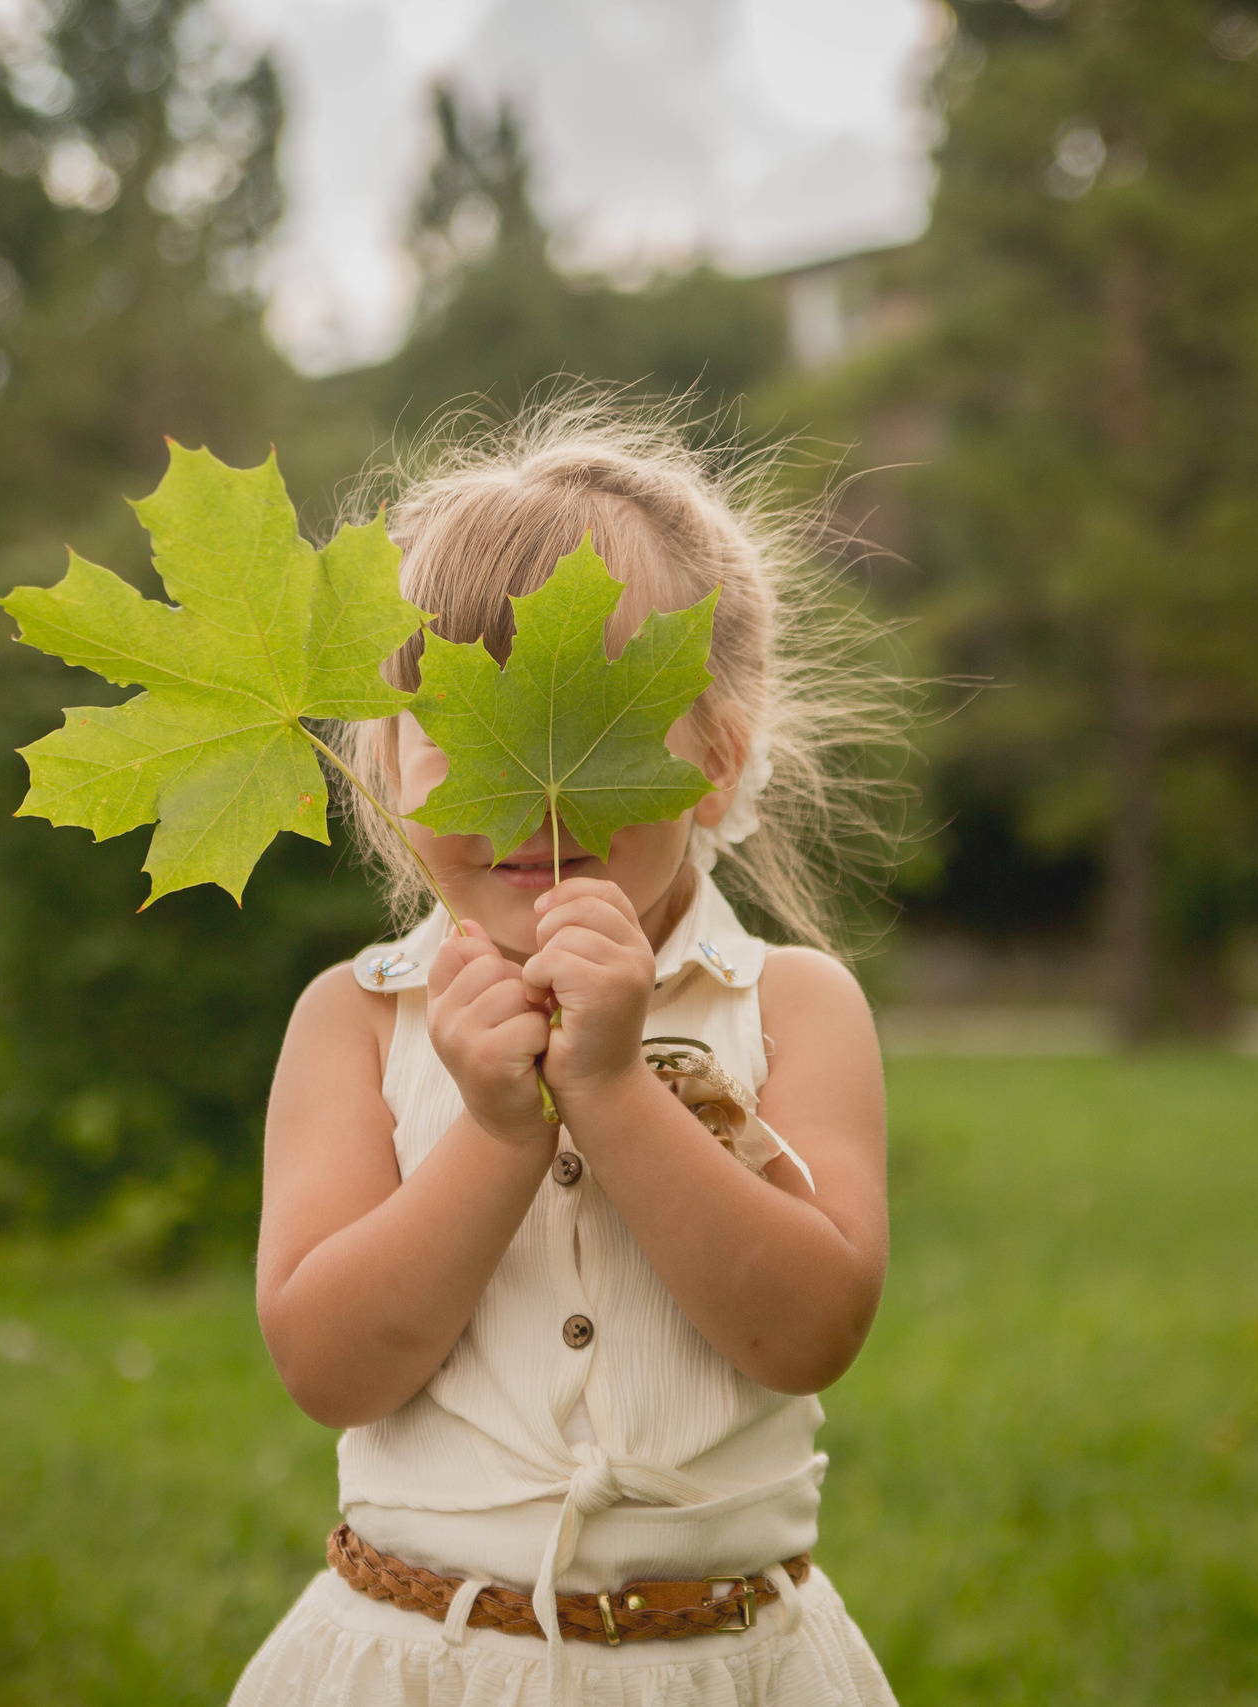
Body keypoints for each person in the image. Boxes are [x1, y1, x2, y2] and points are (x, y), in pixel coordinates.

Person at [229, 404, 907, 1706]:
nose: (528, 776)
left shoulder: (795, 1006)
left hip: (725, 1667)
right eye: (460, 721)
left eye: (590, 714)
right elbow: (328, 1366)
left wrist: (606, 1088)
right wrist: (494, 1132)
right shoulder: (356, 1020)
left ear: (716, 755)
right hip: (424, 1659)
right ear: (385, 758)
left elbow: (810, 1329)